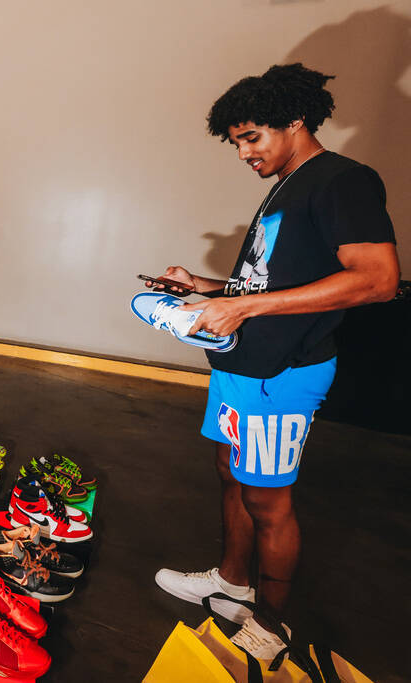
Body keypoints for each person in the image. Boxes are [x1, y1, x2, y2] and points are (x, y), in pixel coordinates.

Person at [152, 64, 400, 659]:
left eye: (252, 137)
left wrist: (246, 308)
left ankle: (272, 622)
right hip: (242, 364)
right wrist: (205, 287)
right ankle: (232, 583)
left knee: (268, 499)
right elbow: (264, 284)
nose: (242, 152)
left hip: (284, 374)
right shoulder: (286, 186)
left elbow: (379, 280)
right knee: (229, 473)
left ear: (295, 123)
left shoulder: (342, 180)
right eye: (235, 141)